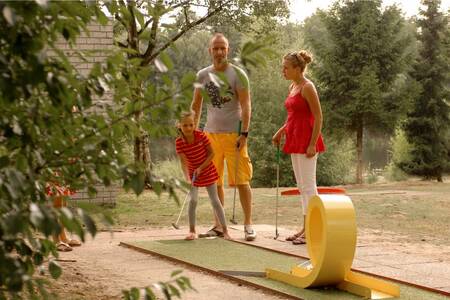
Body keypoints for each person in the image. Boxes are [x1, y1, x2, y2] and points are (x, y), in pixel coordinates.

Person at [191, 33, 256, 241]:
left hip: (234, 136)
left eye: (223, 48)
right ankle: (218, 225)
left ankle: (248, 224)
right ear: (210, 51)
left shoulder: (238, 74)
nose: (219, 52)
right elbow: (196, 105)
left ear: (228, 50)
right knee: (214, 182)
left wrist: (244, 132)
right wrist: (192, 132)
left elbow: (246, 105)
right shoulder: (202, 75)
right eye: (215, 48)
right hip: (210, 136)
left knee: (242, 181)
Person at [272, 50, 325, 245]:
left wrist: (312, 144)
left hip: (307, 141)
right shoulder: (293, 86)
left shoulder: (307, 87)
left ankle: (313, 229)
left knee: (309, 187)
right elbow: (293, 116)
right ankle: (306, 227)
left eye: (286, 67)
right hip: (294, 139)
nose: (283, 70)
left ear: (297, 68)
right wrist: (281, 131)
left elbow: (319, 117)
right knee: (302, 187)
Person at [176, 111, 232, 241]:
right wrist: (187, 179)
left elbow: (211, 154)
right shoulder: (179, 142)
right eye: (185, 125)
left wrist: (201, 167)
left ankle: (225, 231)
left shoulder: (201, 136)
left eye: (191, 125)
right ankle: (192, 231)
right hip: (192, 173)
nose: (189, 128)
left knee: (215, 200)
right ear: (179, 126)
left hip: (207, 170)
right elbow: (183, 163)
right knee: (193, 200)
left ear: (194, 124)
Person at [47, 182, 82, 251]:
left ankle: (63, 238)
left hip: (60, 175)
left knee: (63, 203)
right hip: (53, 175)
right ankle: (56, 240)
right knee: (56, 203)